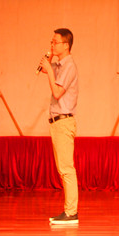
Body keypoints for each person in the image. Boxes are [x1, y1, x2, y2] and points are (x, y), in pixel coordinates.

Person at [39, 28, 80, 225]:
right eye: (51, 42)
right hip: (57, 122)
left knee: (66, 168)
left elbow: (57, 92)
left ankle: (71, 212)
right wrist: (49, 63)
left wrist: (49, 69)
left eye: (55, 42)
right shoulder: (59, 65)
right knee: (62, 168)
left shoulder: (69, 66)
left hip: (64, 121)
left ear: (66, 45)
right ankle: (69, 211)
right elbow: (46, 72)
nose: (52, 45)